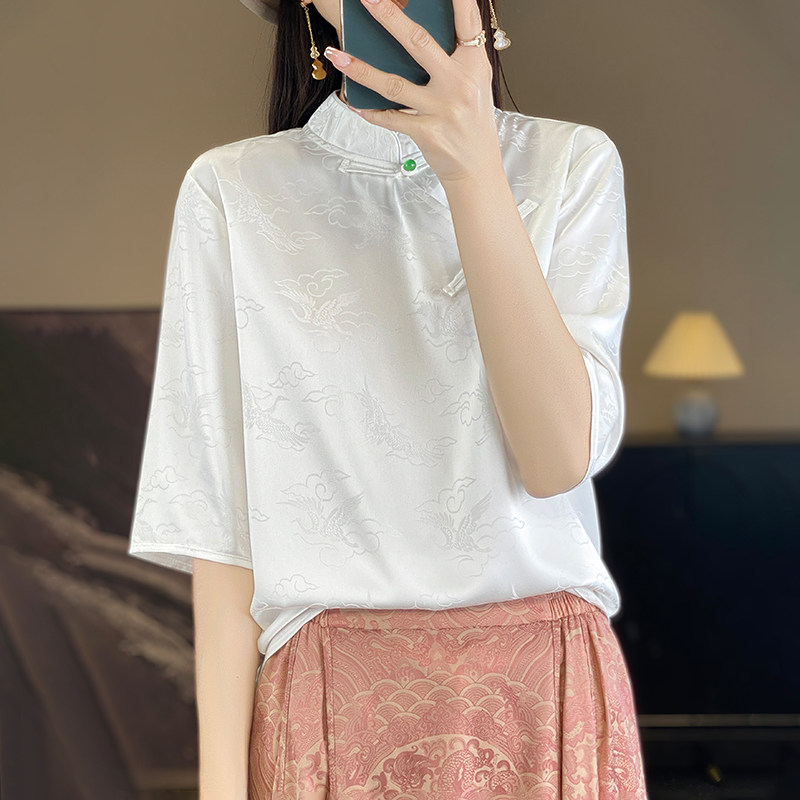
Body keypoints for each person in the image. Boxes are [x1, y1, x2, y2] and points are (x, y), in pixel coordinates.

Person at [128, 0, 649, 796]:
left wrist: (472, 168)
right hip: (331, 705)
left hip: (542, 696)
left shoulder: (570, 164)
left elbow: (555, 461)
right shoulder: (231, 190)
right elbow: (224, 532)